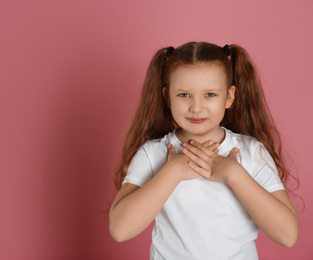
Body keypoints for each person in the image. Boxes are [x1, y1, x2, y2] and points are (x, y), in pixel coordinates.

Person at [108, 42, 299, 259]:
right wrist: (173, 172)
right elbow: (120, 230)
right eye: (184, 95)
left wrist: (234, 174)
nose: (196, 107)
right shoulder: (152, 154)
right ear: (167, 96)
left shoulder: (251, 152)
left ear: (229, 97)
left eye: (209, 94)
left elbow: (288, 235)